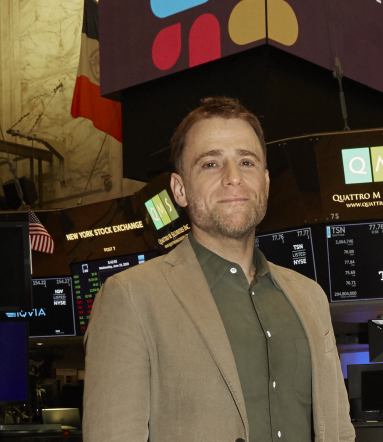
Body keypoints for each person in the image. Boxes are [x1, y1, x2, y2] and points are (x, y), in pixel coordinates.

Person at [83, 96, 354, 442]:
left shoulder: (310, 297)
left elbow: (339, 431)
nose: (233, 178)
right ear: (180, 190)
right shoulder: (129, 297)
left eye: (246, 162)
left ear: (266, 183)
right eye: (211, 164)